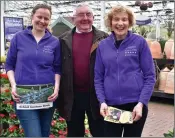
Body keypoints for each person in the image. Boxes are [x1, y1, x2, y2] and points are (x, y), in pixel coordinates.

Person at [94, 5, 156, 137]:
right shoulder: (103, 46)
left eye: (124, 19)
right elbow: (98, 77)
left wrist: (141, 103)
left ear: (130, 22)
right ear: (110, 22)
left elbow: (150, 76)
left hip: (135, 105)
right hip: (112, 106)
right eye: (116, 19)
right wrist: (102, 102)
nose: (120, 23)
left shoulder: (139, 42)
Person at [5, 4, 61, 137]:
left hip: (47, 95)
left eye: (46, 18)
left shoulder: (54, 42)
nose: (42, 21)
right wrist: (13, 85)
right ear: (32, 17)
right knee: (34, 135)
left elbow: (57, 67)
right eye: (39, 17)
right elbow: (9, 65)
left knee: (44, 133)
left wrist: (56, 88)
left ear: (49, 20)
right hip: (24, 95)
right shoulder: (19, 38)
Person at [57, 3, 108, 137]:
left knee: (100, 131)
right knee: (74, 132)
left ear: (93, 17)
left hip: (97, 95)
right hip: (72, 95)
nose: (85, 18)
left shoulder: (105, 38)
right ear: (73, 19)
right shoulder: (63, 40)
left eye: (88, 15)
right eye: (80, 15)